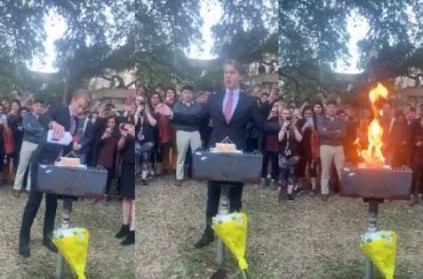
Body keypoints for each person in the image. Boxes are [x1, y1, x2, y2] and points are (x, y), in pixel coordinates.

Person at [156, 60, 280, 248]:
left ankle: (234, 236)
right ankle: (208, 232)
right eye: (225, 73)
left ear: (240, 76)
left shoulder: (249, 101)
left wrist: (283, 126)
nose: (228, 76)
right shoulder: (214, 98)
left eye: (232, 72)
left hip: (237, 154)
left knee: (235, 197)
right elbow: (198, 118)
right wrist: (173, 114)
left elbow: (261, 125)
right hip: (216, 153)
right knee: (212, 195)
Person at [18, 89, 91, 258]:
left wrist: (74, 145)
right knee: (34, 202)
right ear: (73, 99)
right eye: (79, 106)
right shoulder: (60, 109)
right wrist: (52, 124)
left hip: (58, 166)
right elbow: (44, 117)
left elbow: (66, 141)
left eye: (84, 108)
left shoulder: (77, 121)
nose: (81, 110)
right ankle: (23, 240)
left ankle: (47, 237)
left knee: (52, 203)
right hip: (41, 162)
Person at [13, 100, 45, 197]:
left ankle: (29, 188)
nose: (39, 107)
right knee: (22, 166)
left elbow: (45, 132)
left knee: (33, 167)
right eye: (37, 105)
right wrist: (39, 130)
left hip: (38, 144)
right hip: (27, 143)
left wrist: (36, 130)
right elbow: (27, 128)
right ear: (33, 106)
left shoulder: (44, 118)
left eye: (41, 106)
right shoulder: (27, 116)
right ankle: (17, 188)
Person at [114, 121, 135, 245]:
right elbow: (119, 147)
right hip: (127, 167)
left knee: (134, 200)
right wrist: (123, 136)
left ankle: (133, 231)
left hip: (136, 167)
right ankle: (125, 225)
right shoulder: (127, 130)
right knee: (126, 197)